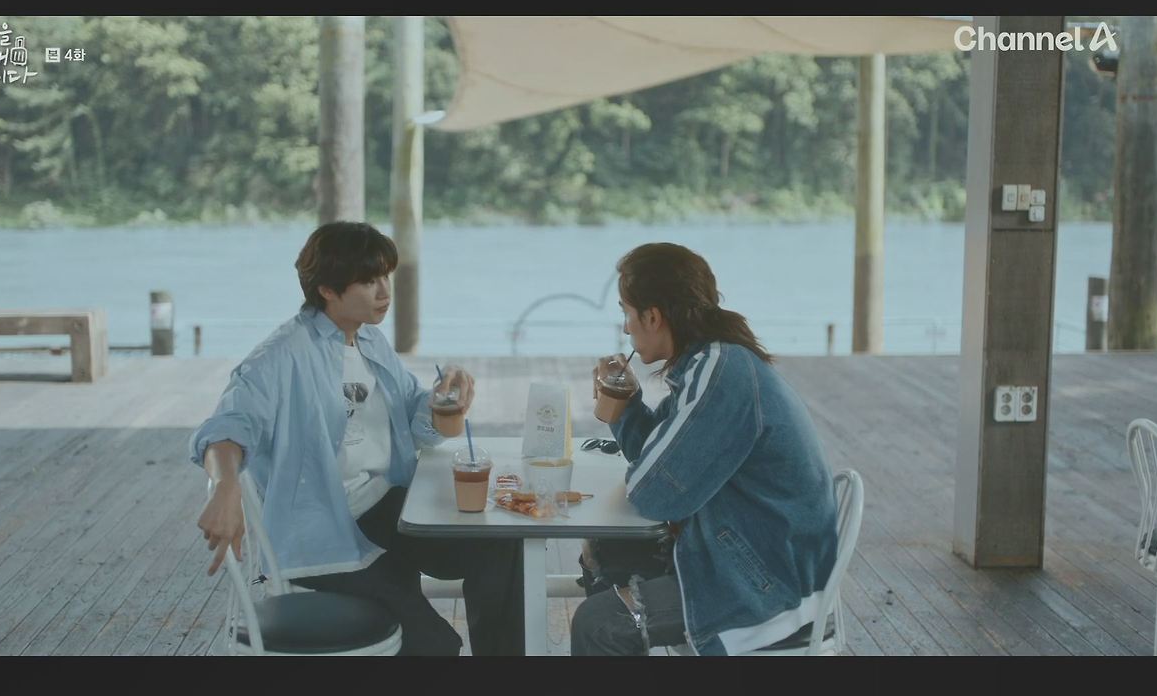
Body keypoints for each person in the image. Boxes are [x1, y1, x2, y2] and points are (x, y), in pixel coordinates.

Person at [191, 221, 524, 656]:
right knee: (435, 644)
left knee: (499, 545)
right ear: (327, 290)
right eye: (368, 281)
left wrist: (446, 401)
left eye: (386, 276)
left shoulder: (369, 340)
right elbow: (226, 428)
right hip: (322, 529)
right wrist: (225, 485)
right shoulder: (280, 357)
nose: (384, 291)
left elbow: (413, 413)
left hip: (385, 508)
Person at [571, 242, 839, 656]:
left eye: (627, 313)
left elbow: (655, 493)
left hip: (770, 590)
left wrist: (631, 429)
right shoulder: (711, 362)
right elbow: (663, 461)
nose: (625, 329)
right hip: (756, 557)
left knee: (599, 624)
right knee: (606, 551)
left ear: (653, 316)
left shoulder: (721, 372)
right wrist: (626, 405)